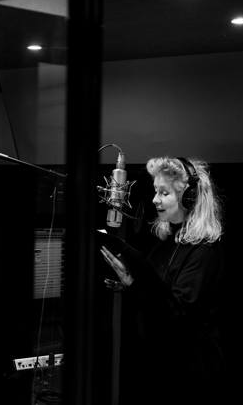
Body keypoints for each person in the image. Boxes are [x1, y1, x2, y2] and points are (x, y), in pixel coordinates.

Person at [99, 156, 225, 405]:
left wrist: (137, 283)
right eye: (156, 191)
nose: (155, 199)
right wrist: (130, 285)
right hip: (162, 368)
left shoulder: (204, 251)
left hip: (191, 376)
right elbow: (156, 296)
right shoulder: (164, 244)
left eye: (164, 192)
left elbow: (176, 313)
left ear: (189, 197)